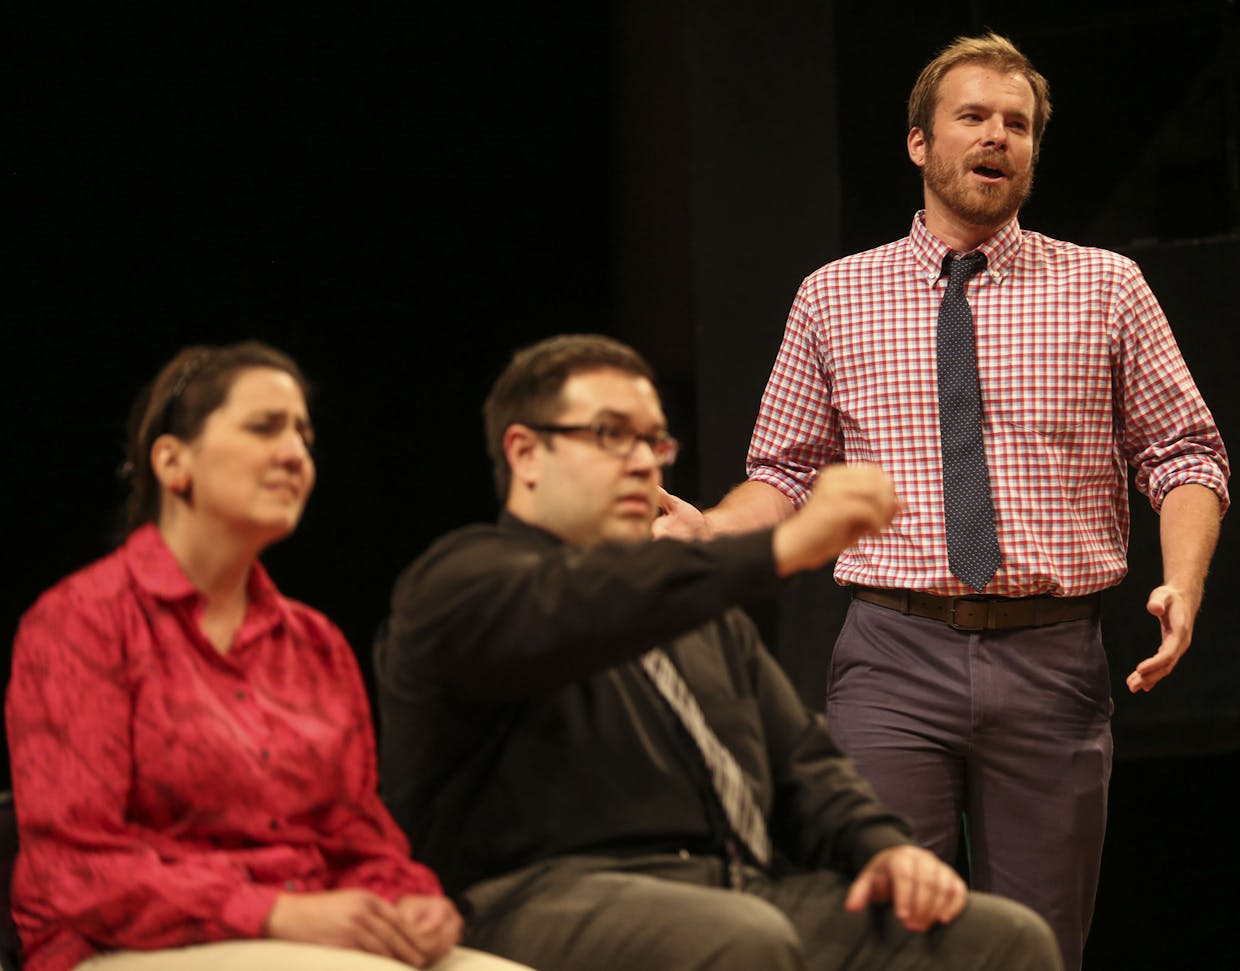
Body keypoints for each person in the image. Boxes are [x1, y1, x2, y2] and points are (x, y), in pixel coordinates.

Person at [654, 33, 1231, 971]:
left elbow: (1185, 452)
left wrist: (1184, 582)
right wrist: (714, 533)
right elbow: (786, 472)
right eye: (974, 117)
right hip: (893, 652)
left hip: (1052, 656)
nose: (998, 136)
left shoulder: (1104, 287)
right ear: (921, 143)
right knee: (888, 938)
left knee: (1035, 946)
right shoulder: (834, 297)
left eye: (1018, 124)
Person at [375, 333, 1061, 971]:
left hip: (735, 887)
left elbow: (802, 766)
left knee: (1002, 938)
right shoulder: (463, 582)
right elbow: (589, 602)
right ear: (524, 452)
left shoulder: (698, 611)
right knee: (742, 939)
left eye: (653, 440)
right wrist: (781, 545)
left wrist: (882, 849)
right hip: (535, 893)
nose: (643, 461)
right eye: (611, 436)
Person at [5, 342, 529, 971]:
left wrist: (414, 903)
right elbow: (75, 865)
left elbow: (356, 838)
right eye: (264, 428)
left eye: (304, 437)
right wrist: (273, 912)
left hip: (294, 934)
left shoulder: (314, 643)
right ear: (174, 463)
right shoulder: (83, 621)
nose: (294, 456)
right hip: (117, 945)